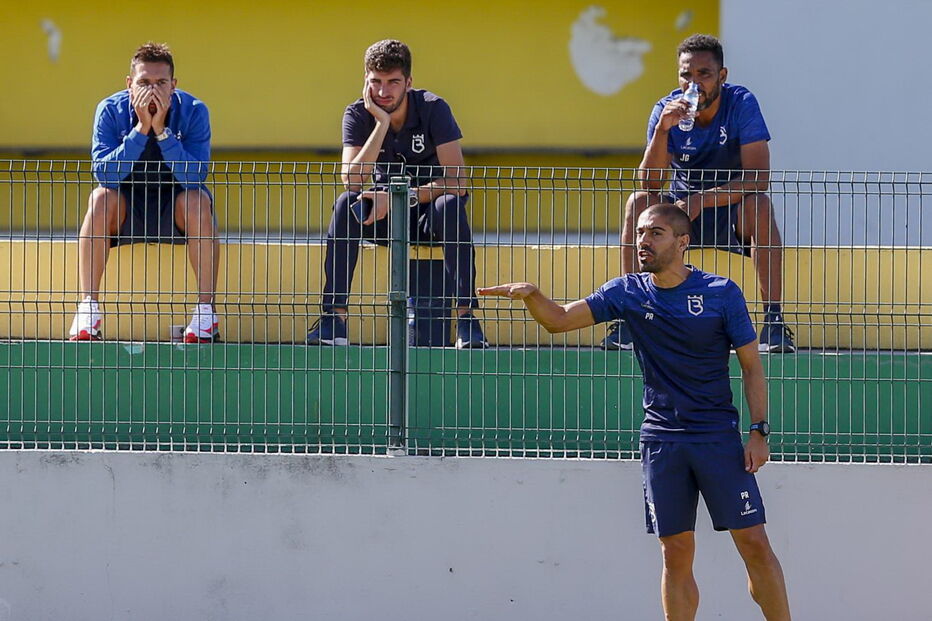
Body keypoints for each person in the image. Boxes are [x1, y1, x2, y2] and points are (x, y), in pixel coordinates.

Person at [480, 204, 792, 620]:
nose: (643, 241)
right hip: (662, 441)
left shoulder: (721, 292)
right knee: (675, 553)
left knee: (754, 543)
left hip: (717, 438)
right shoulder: (627, 291)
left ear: (683, 242)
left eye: (656, 233)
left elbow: (752, 366)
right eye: (641, 232)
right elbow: (558, 321)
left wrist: (759, 432)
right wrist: (533, 294)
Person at [604, 34, 795, 353]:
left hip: (728, 210)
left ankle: (773, 322)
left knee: (759, 205)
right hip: (679, 213)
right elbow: (650, 184)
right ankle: (628, 317)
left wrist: (703, 199)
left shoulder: (741, 103)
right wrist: (663, 130)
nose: (694, 84)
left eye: (704, 74)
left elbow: (758, 178)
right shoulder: (665, 109)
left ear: (722, 76)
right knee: (639, 204)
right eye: (686, 75)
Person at [307, 39, 487, 348]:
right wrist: (382, 123)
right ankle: (334, 320)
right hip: (384, 215)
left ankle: (467, 320)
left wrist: (404, 197)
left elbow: (458, 181)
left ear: (409, 82)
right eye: (375, 82)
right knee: (345, 204)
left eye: (393, 82)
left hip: (429, 215)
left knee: (451, 205)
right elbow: (351, 181)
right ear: (366, 81)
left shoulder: (434, 108)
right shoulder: (357, 114)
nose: (383, 91)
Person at [68, 42, 219, 343]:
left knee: (198, 199)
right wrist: (140, 130)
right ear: (129, 84)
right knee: (99, 198)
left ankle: (205, 314)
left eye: (161, 83)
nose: (153, 91)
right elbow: (104, 174)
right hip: (125, 208)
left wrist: (162, 131)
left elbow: (195, 177)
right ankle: (88, 309)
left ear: (174, 85)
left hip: (174, 207)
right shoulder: (110, 110)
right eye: (144, 83)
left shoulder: (194, 111)